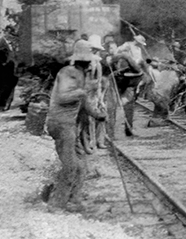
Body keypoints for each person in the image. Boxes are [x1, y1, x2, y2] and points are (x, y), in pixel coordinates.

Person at [44, 38, 106, 210]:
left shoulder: (81, 75)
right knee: (70, 165)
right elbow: (63, 97)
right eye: (88, 62)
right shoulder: (67, 72)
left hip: (71, 125)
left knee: (81, 165)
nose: (89, 66)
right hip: (60, 123)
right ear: (82, 61)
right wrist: (82, 91)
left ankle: (74, 200)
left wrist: (97, 114)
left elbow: (85, 103)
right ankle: (56, 203)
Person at [114, 35, 149, 136]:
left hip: (134, 76)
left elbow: (140, 61)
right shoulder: (126, 45)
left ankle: (128, 128)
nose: (140, 44)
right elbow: (117, 55)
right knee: (118, 102)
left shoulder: (138, 49)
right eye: (139, 42)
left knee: (129, 103)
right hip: (124, 75)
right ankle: (113, 128)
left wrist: (145, 69)